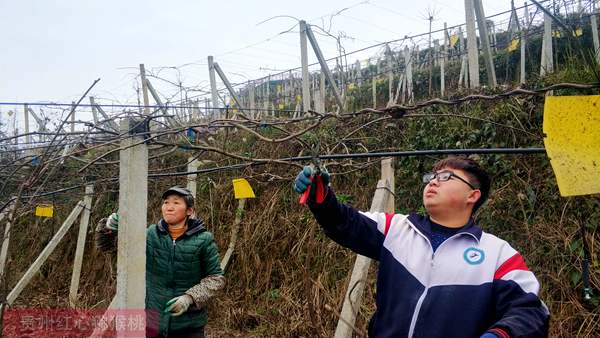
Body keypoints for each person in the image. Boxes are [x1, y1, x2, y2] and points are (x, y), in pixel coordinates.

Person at [294, 156, 549, 338]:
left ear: (473, 195)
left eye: (446, 177)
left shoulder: (498, 254)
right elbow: (345, 223)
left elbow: (530, 312)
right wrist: (321, 197)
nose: (434, 182)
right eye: (432, 177)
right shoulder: (396, 228)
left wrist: (500, 335)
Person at [96, 186, 225, 338]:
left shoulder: (204, 240)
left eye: (176, 203)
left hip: (188, 325)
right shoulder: (151, 234)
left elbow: (216, 279)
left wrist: (190, 298)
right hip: (151, 322)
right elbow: (110, 247)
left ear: (189, 211)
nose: (169, 207)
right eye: (165, 202)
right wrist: (109, 227)